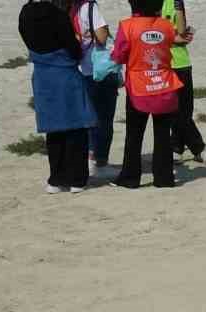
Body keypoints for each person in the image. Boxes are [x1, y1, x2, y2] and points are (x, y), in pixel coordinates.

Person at [19, 0, 97, 193]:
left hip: (42, 74)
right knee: (76, 127)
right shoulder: (58, 15)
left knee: (53, 129)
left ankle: (57, 178)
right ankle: (77, 179)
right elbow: (74, 49)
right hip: (65, 73)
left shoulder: (26, 13)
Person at [109, 0, 182, 189]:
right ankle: (164, 178)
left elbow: (118, 55)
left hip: (139, 88)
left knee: (134, 135)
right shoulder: (166, 26)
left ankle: (130, 178)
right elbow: (170, 45)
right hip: (164, 85)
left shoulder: (127, 26)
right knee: (163, 135)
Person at [73, 0, 121, 171]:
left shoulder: (67, 7)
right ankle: (99, 161)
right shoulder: (89, 7)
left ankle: (87, 157)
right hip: (98, 69)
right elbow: (101, 37)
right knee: (104, 118)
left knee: (86, 117)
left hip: (79, 68)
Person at [160, 0, 206, 164]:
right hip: (163, 63)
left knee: (185, 110)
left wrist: (179, 8)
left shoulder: (175, 3)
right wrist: (174, 38)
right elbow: (154, 34)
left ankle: (177, 147)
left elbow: (182, 31)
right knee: (174, 111)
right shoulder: (151, 5)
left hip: (181, 62)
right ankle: (198, 147)